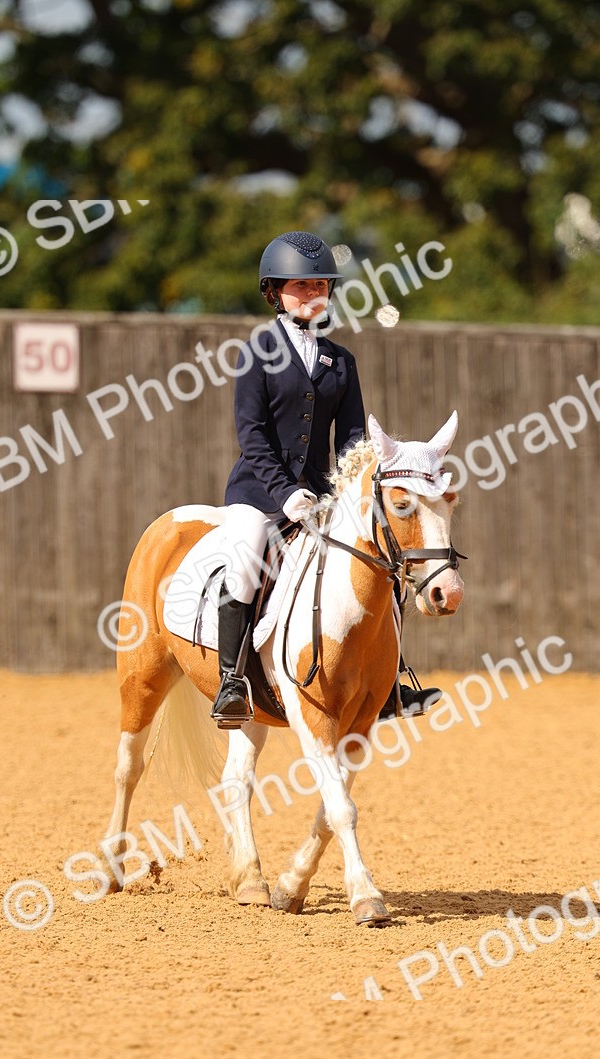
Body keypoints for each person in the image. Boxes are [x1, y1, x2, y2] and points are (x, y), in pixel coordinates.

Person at [211, 229, 441, 727]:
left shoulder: (340, 360)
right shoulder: (257, 351)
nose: (313, 293)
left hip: (321, 494)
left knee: (379, 561)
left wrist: (345, 492)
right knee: (246, 560)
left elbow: (354, 438)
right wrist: (284, 492)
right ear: (275, 292)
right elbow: (251, 435)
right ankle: (232, 680)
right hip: (259, 491)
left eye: (320, 285)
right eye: (302, 285)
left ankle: (390, 681)